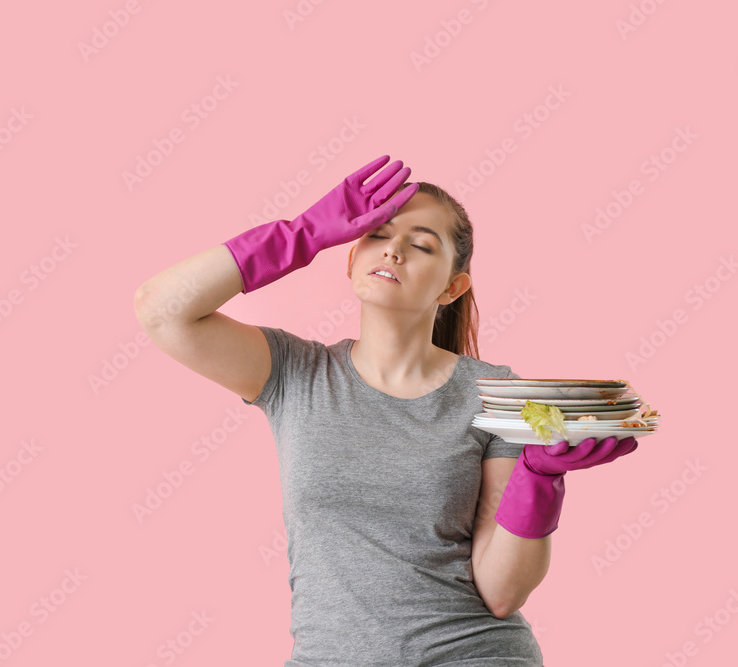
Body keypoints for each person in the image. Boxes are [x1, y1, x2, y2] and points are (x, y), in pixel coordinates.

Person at [134, 155, 638, 666]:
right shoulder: (295, 373)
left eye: (421, 244)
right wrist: (301, 234)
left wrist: (537, 477)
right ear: (351, 258)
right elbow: (162, 310)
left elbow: (502, 593)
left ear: (451, 287)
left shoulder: (495, 394)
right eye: (378, 235)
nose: (394, 250)